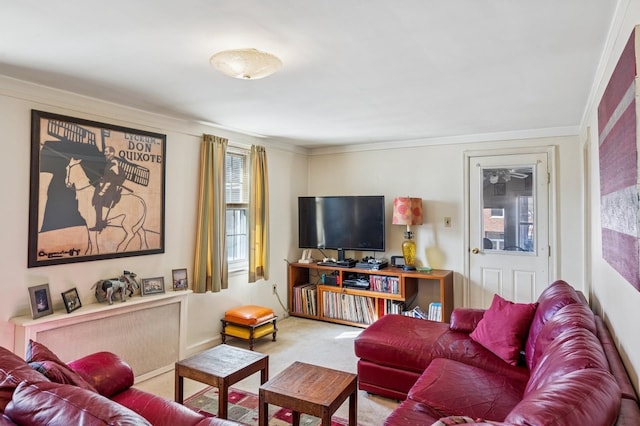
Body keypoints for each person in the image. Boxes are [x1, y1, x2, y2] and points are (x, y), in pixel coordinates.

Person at [90, 146, 125, 231]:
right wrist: (103, 179)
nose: (105, 154)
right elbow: (108, 176)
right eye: (105, 152)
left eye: (106, 152)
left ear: (112, 153)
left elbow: (120, 177)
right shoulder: (109, 164)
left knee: (98, 202)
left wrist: (108, 181)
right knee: (97, 200)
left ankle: (99, 226)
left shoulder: (114, 164)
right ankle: (99, 223)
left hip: (110, 189)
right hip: (106, 186)